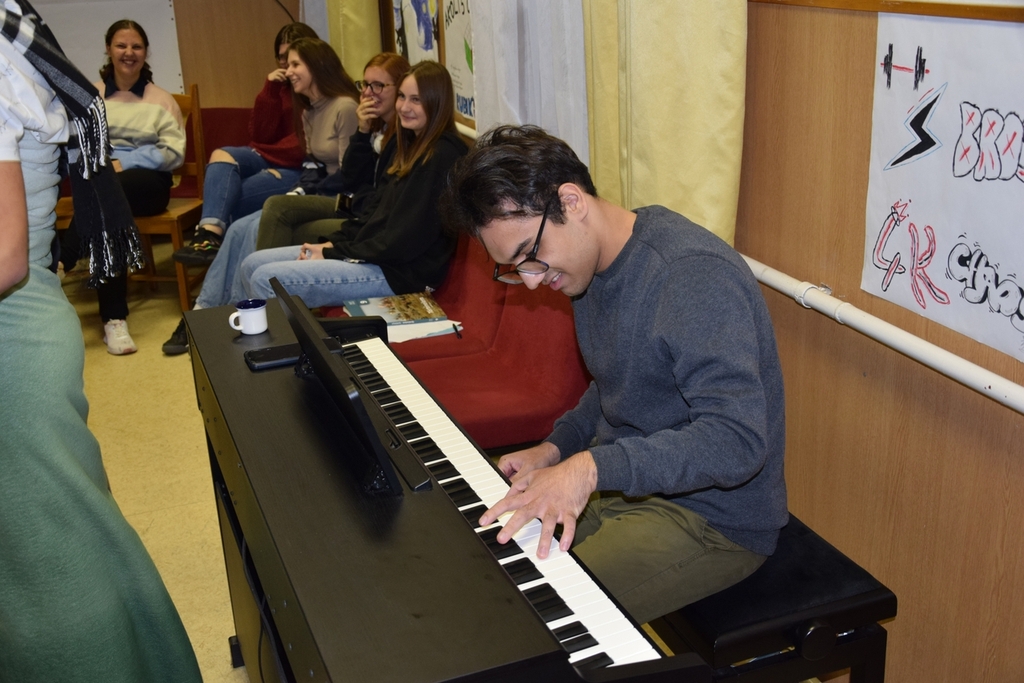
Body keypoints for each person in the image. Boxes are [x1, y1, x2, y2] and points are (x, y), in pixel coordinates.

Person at [438, 125, 788, 625]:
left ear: (572, 201)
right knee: (482, 566)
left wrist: (589, 469)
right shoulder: (589, 264)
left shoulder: (691, 275)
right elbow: (617, 383)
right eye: (514, 269)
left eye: (529, 255)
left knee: (524, 620)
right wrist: (555, 449)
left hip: (711, 518)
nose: (532, 282)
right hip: (627, 485)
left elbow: (738, 441)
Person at [0, 2, 202, 680]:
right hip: (31, 314)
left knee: (51, 564)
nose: (128, 53)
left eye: (137, 45)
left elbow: (4, 255)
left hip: (13, 330)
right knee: (60, 543)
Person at [162, 37, 361, 354]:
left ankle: (234, 313)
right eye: (287, 63)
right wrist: (299, 190)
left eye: (295, 64)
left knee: (259, 224)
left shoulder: (344, 107)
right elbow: (311, 165)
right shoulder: (309, 111)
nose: (288, 70)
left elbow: (350, 173)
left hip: (339, 197)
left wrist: (302, 196)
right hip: (316, 191)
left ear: (317, 65)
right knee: (238, 227)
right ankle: (202, 313)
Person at [240, 60, 467, 306]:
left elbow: (401, 242)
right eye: (402, 97)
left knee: (265, 279)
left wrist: (333, 253)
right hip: (378, 258)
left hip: (399, 274)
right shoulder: (408, 145)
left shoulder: (441, 156)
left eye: (416, 100)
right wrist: (334, 244)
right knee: (252, 264)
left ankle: (275, 332)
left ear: (436, 102)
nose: (404, 107)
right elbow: (374, 213)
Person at [60, 19, 185, 355]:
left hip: (148, 184)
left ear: (145, 53)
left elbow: (174, 153)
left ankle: (61, 261)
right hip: (103, 186)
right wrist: (102, 165)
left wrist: (125, 162)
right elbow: (74, 145)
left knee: (108, 194)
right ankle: (114, 321)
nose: (129, 52)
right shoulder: (90, 96)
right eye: (121, 45)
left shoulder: (161, 100)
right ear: (108, 49)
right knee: (110, 214)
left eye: (136, 46)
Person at [170, 22, 318, 266]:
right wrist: (270, 89)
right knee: (221, 154)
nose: (286, 64)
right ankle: (208, 234)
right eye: (282, 57)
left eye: (293, 58)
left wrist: (271, 156)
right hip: (266, 156)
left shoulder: (317, 92)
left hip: (297, 169)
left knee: (228, 196)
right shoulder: (278, 88)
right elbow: (260, 135)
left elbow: (303, 148)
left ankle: (216, 250)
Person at [253, 51, 410, 250]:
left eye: (378, 85)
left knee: (288, 226)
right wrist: (362, 132)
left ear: (401, 90)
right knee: (276, 205)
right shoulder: (376, 128)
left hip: (369, 218)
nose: (368, 93)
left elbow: (383, 201)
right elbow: (351, 178)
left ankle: (272, 268)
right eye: (365, 84)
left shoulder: (404, 137)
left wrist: (356, 201)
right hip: (356, 205)